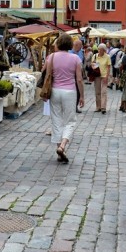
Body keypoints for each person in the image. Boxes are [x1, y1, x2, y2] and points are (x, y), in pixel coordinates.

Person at [47, 33, 84, 163]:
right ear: (70, 44)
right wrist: (82, 96)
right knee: (70, 120)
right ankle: (63, 145)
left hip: (55, 91)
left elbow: (47, 75)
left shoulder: (51, 57)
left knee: (56, 120)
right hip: (69, 91)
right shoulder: (75, 59)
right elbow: (79, 79)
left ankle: (59, 150)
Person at [92, 43, 112, 114]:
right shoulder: (95, 56)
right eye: (99, 49)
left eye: (101, 50)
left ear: (104, 50)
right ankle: (98, 107)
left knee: (103, 92)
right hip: (97, 76)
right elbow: (92, 65)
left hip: (104, 76)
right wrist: (94, 65)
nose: (99, 51)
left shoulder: (107, 57)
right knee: (97, 92)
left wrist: (107, 77)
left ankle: (103, 107)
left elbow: (109, 67)